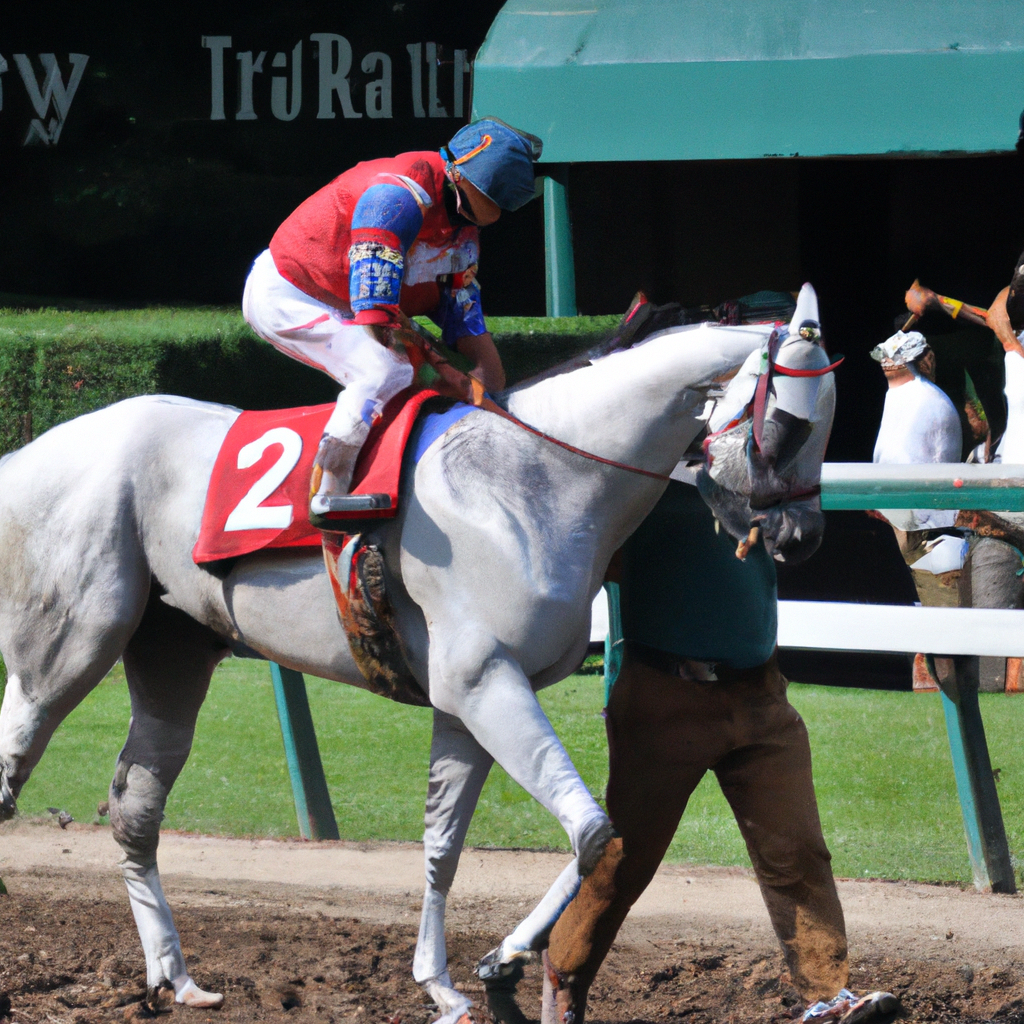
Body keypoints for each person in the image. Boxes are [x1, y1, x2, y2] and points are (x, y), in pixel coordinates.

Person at [483, 297, 896, 1024]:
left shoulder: (757, 472)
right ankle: (562, 983)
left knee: (798, 854)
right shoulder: (628, 485)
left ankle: (829, 997)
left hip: (762, 698)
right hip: (662, 705)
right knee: (619, 867)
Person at [241, 118, 542, 518]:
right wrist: (449, 377)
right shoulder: (393, 197)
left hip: (359, 308)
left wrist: (487, 388)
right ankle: (329, 493)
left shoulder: (464, 229)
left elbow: (470, 334)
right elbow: (377, 320)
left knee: (482, 385)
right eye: (494, 201)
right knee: (387, 370)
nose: (500, 215)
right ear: (460, 175)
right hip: (292, 293)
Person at [869, 329, 966, 691]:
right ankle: (933, 674)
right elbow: (889, 449)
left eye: (893, 356)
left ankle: (949, 680)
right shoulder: (897, 396)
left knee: (937, 592)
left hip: (926, 517)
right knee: (921, 591)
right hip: (899, 510)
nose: (886, 363)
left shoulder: (928, 399)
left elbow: (930, 464)